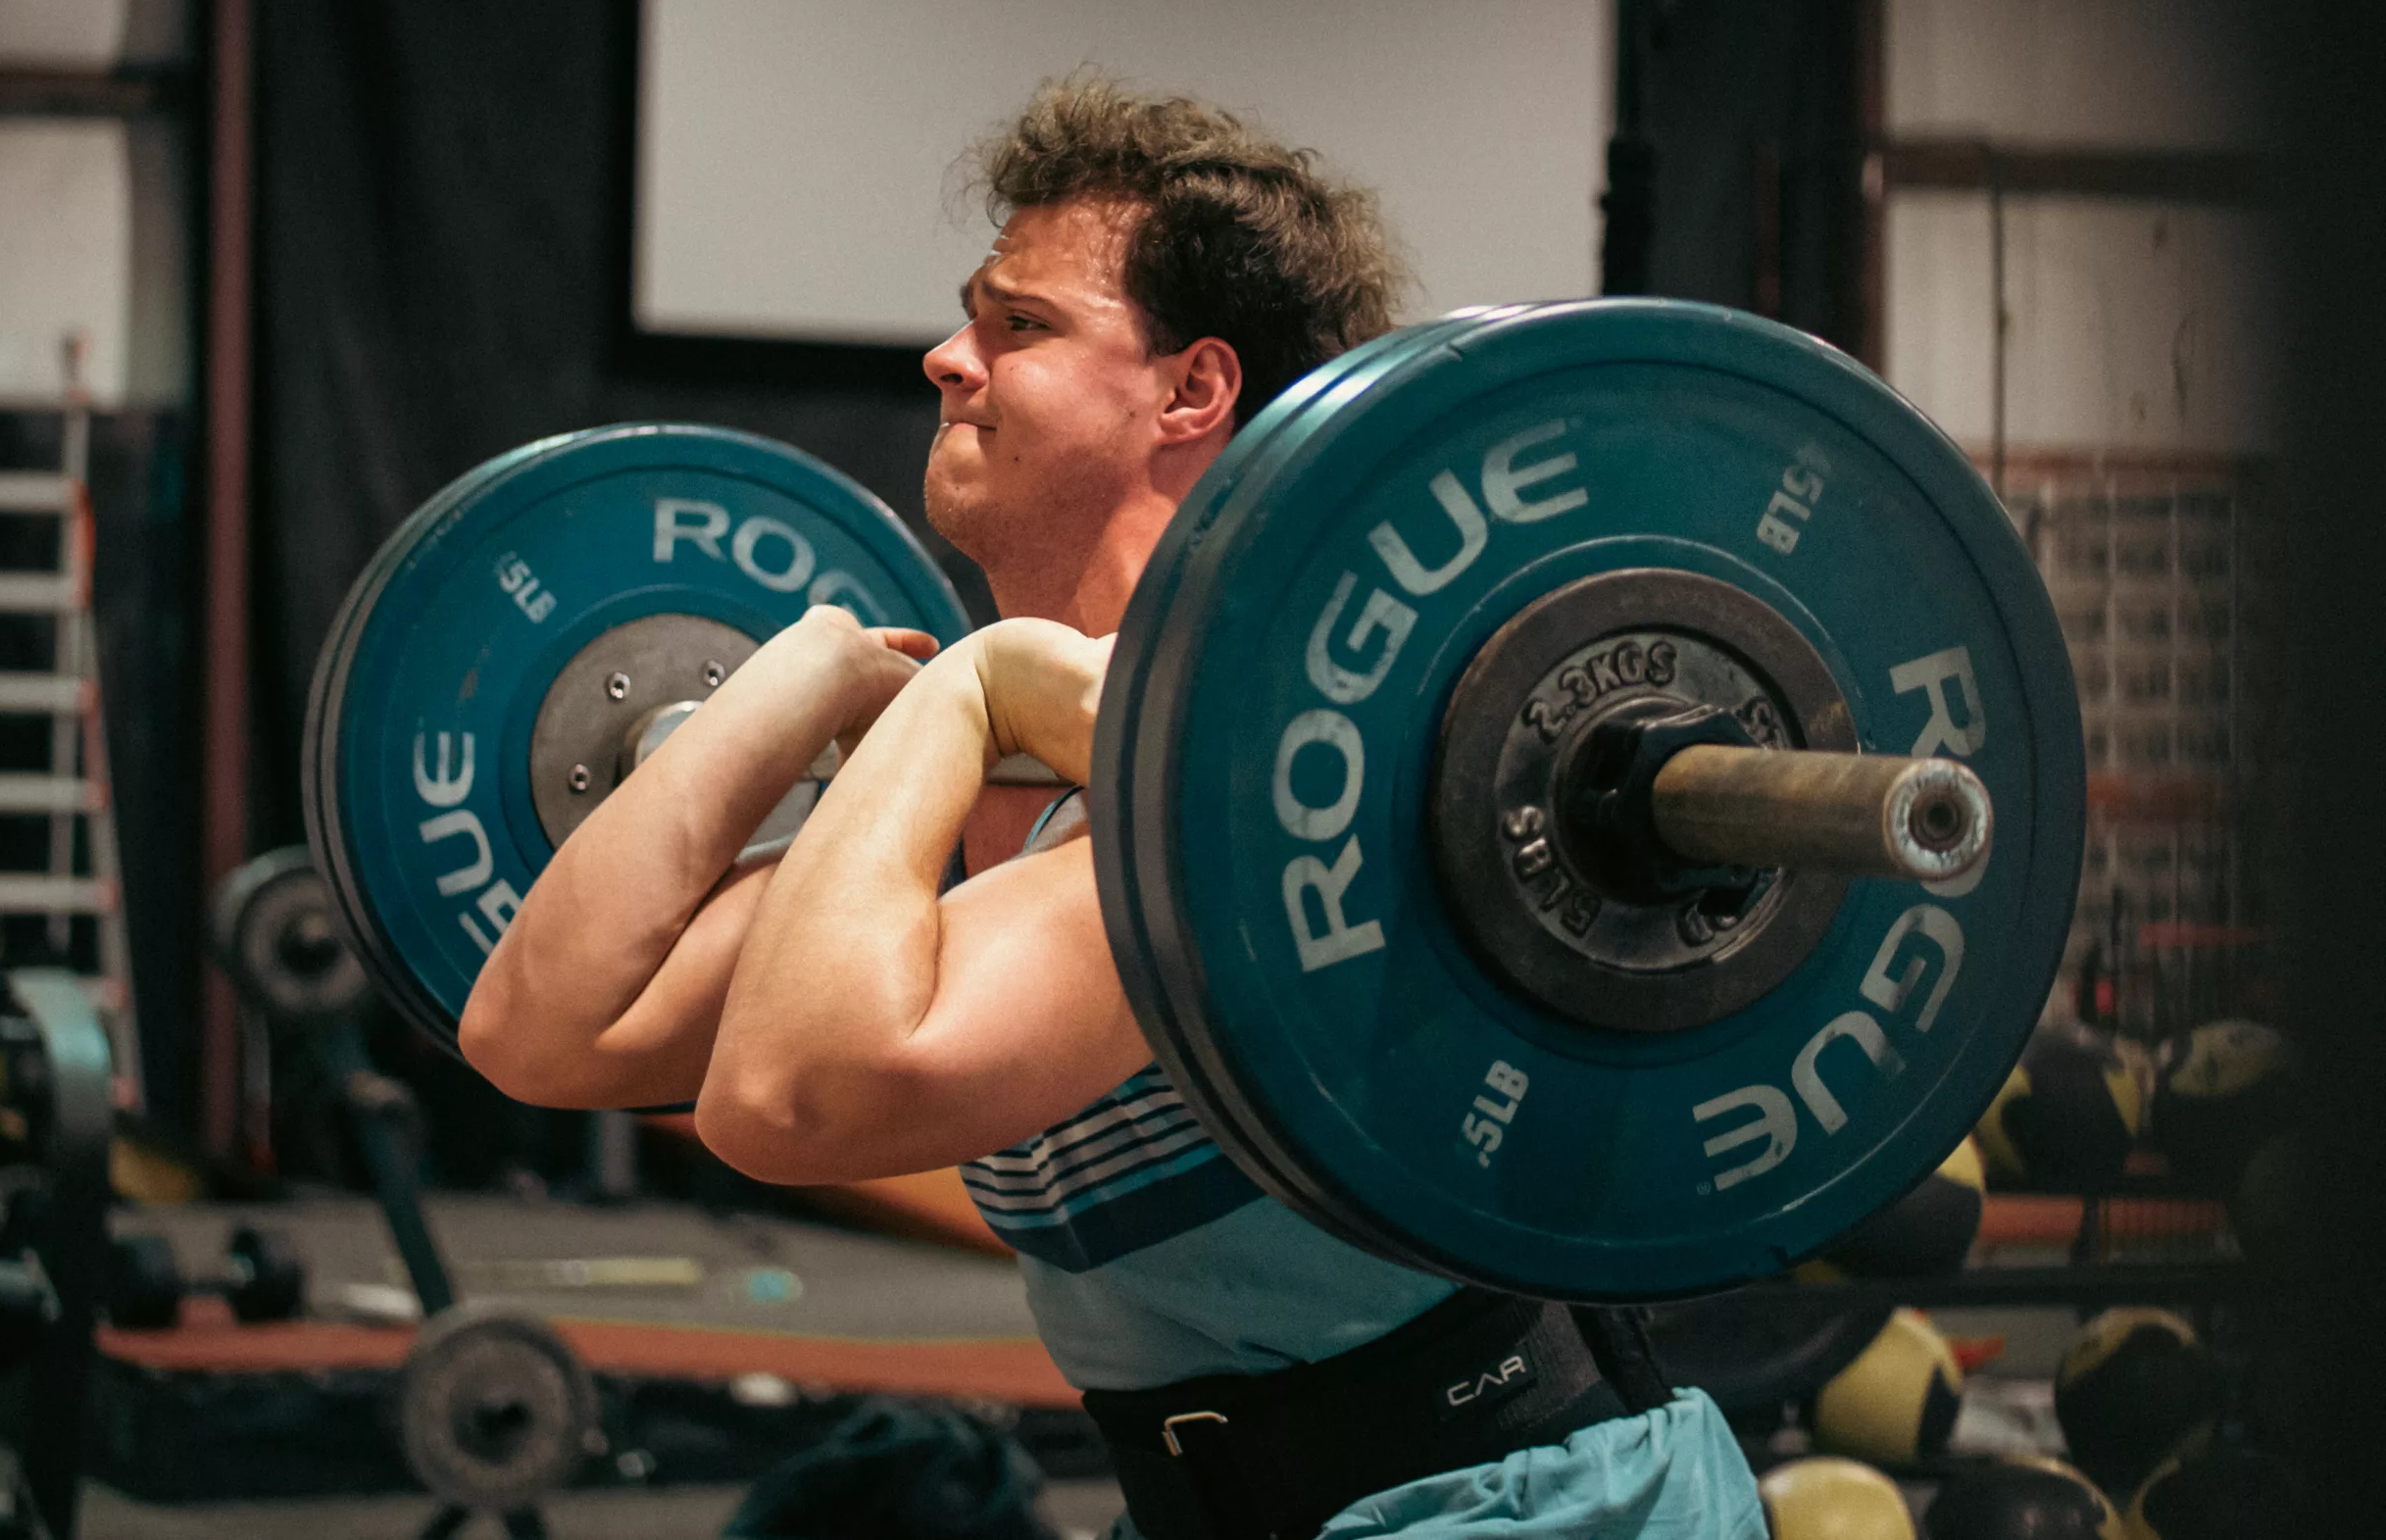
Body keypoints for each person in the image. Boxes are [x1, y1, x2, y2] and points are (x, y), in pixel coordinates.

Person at [459, 76, 1763, 1540]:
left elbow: (786, 1095)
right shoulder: (1002, 787)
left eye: (1022, 325)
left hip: (1520, 1508)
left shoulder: (1253, 777)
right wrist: (797, 679)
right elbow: (539, 1025)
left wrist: (964, 689)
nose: (951, 357)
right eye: (973, 314)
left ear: (1191, 391)